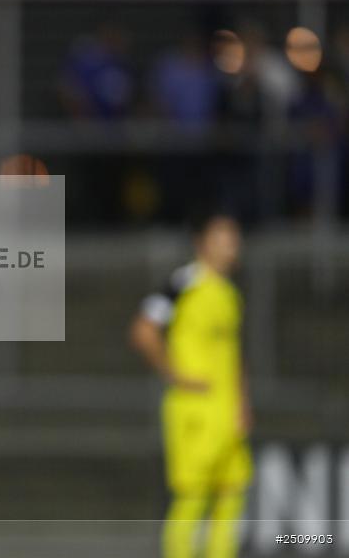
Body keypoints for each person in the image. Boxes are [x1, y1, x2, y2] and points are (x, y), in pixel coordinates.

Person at [130, 214, 253, 558]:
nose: (231, 246)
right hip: (195, 408)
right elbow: (143, 330)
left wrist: (242, 402)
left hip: (226, 411)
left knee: (232, 492)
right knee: (193, 496)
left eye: (233, 238)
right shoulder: (183, 283)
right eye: (222, 238)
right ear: (202, 243)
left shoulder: (229, 293)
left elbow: (234, 354)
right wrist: (175, 374)